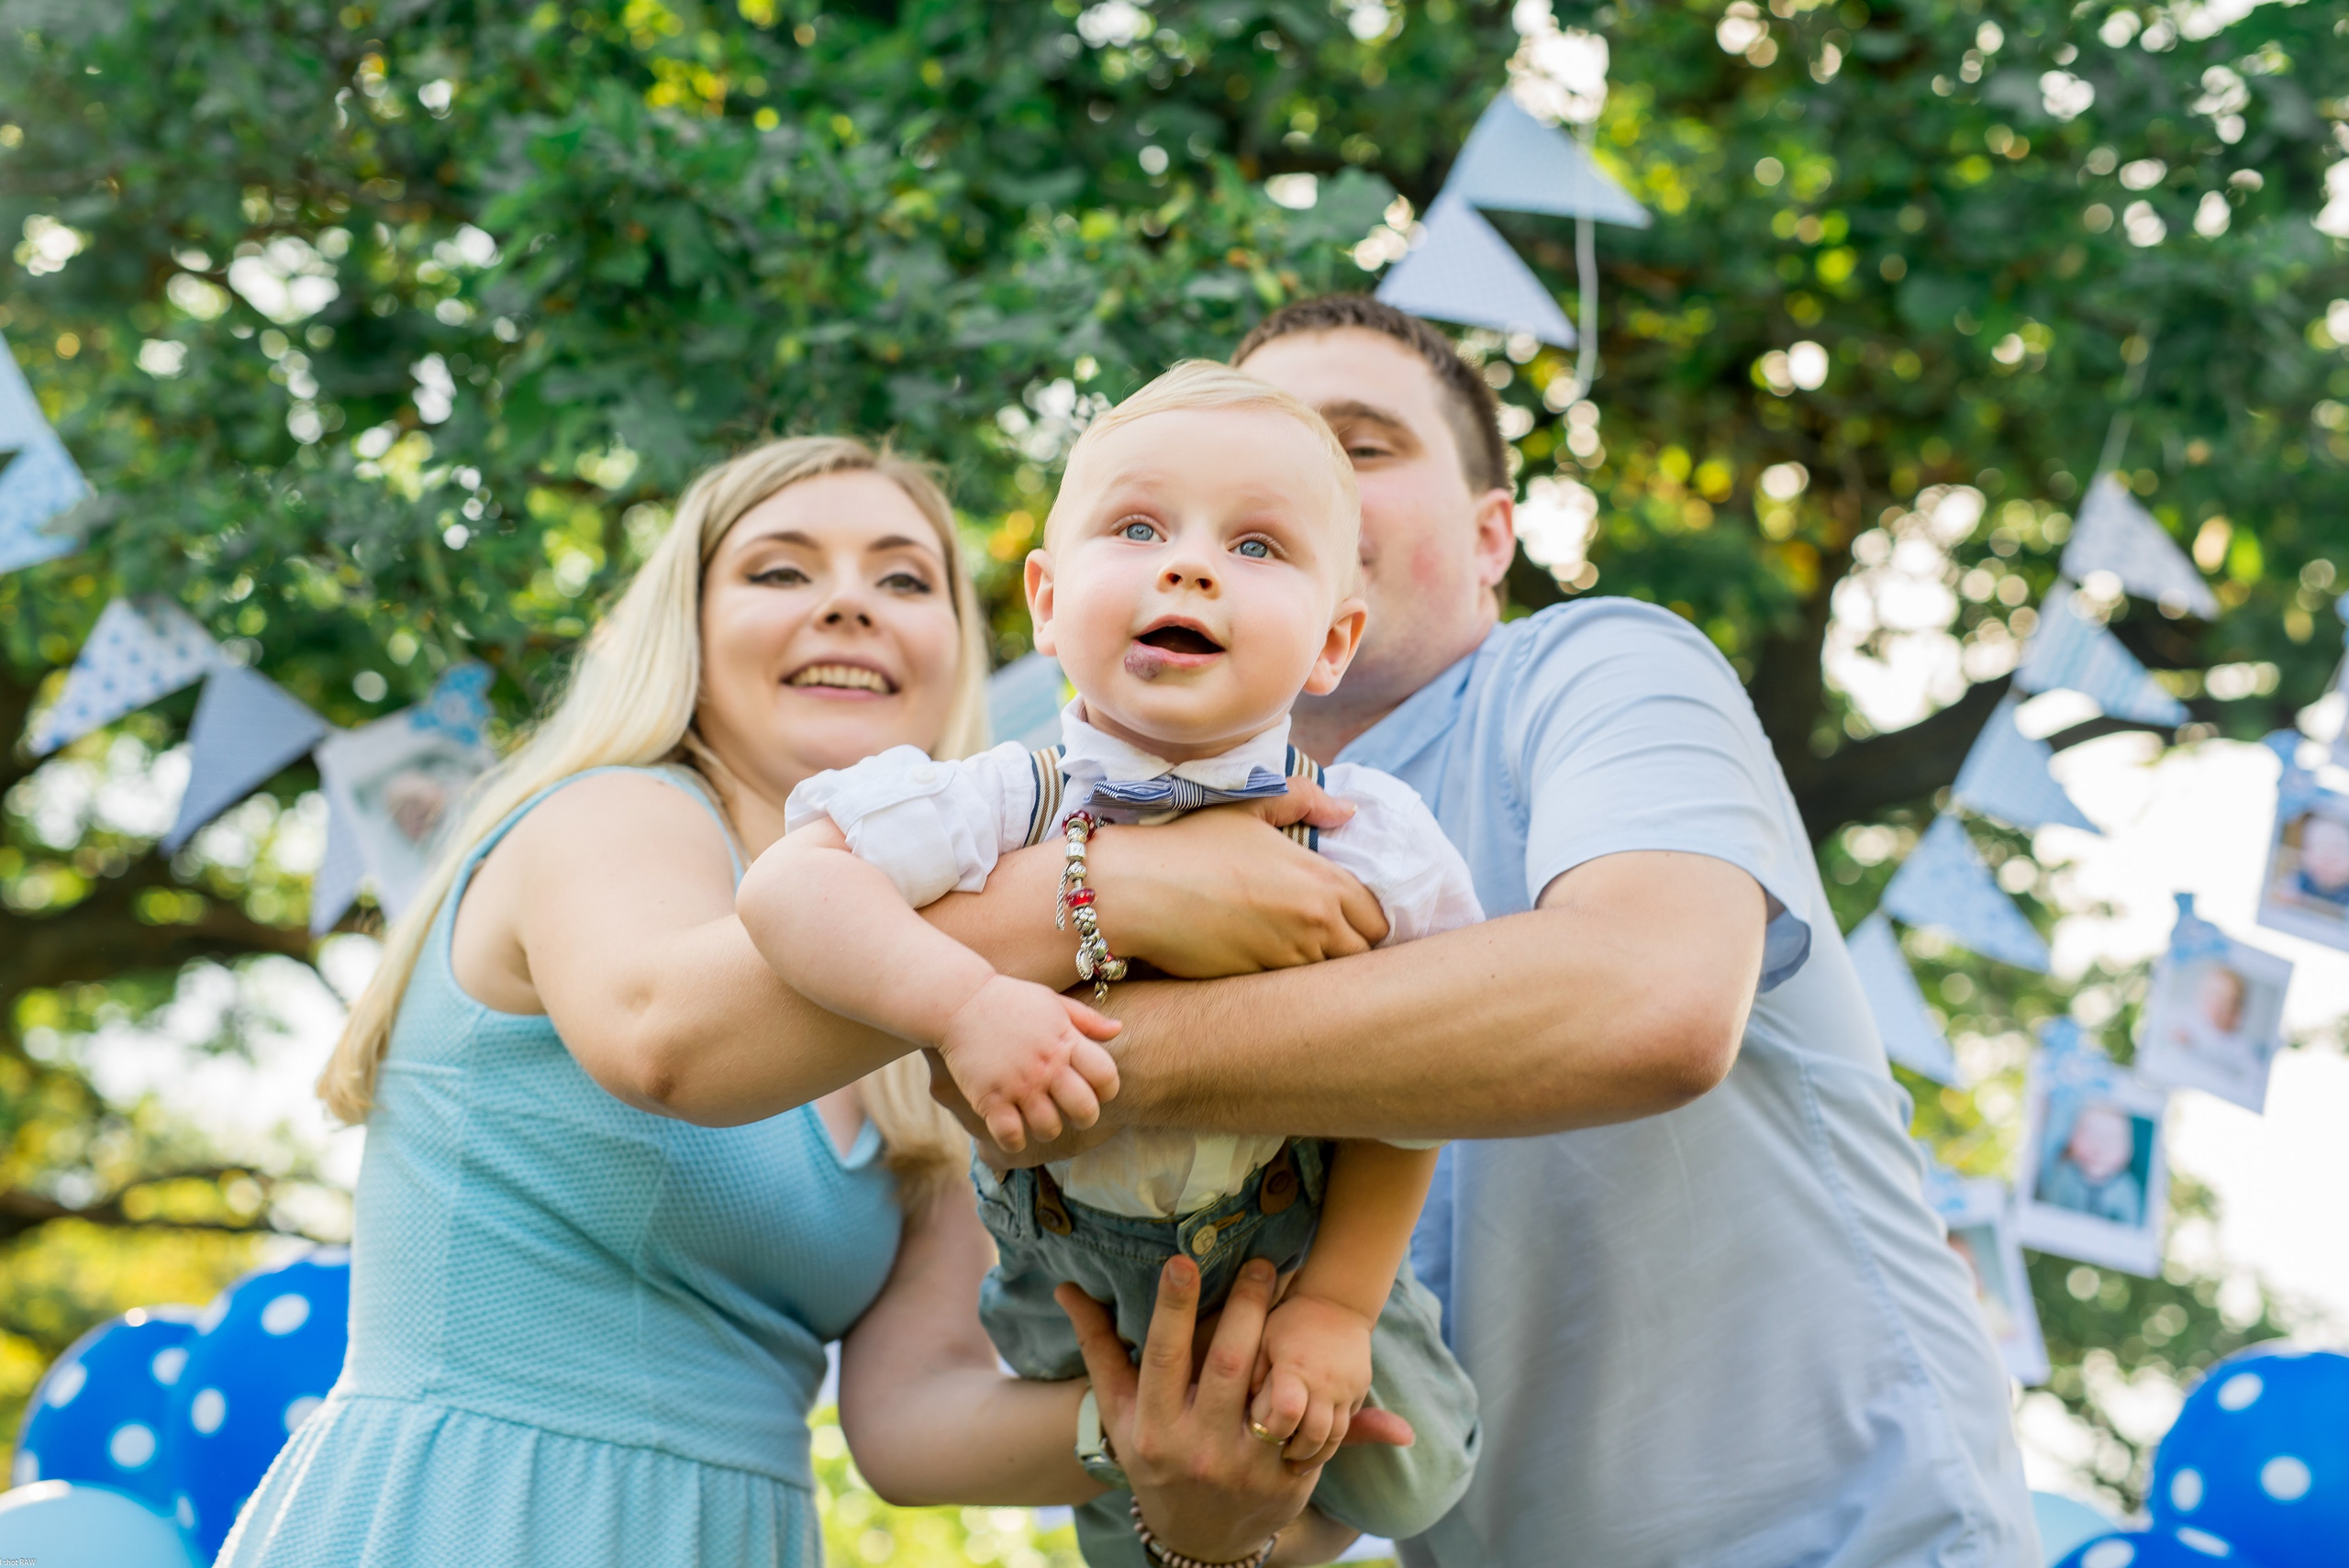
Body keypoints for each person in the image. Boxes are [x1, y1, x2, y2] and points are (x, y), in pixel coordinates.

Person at [931, 296, 2040, 1565]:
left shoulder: (1594, 669)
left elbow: (1652, 999)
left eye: (1361, 446)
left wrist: (1081, 1052)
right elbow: (1332, 1479)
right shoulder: (1093, 811)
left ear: (1489, 535)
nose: (1287, 496)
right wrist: (1197, 1522)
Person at [219, 436, 1405, 1568]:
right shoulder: (612, 812)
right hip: (476, 1511)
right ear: (683, 627)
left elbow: (912, 1419)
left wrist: (1210, 1427)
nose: (850, 604)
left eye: (905, 578)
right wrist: (1115, 887)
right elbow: (666, 1040)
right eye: (780, 569)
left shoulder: (934, 1001)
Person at [744, 365, 1482, 1563]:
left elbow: (1433, 1072)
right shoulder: (999, 799)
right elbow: (787, 889)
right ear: (1046, 601)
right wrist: (968, 999)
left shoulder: (1367, 836)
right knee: (1120, 1515)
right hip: (1077, 1280)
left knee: (1411, 1468)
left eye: (1256, 545)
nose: (1186, 566)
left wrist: (1342, 1304)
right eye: (1137, 528)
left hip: (1291, 1253)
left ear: (1334, 639)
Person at [2036, 1102, 2145, 1228]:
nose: (2099, 1146)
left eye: (2111, 1139)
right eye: (2089, 1134)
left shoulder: (2128, 1188)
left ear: (2127, 1152)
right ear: (2072, 1139)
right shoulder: (2063, 1176)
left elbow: (2132, 1227)